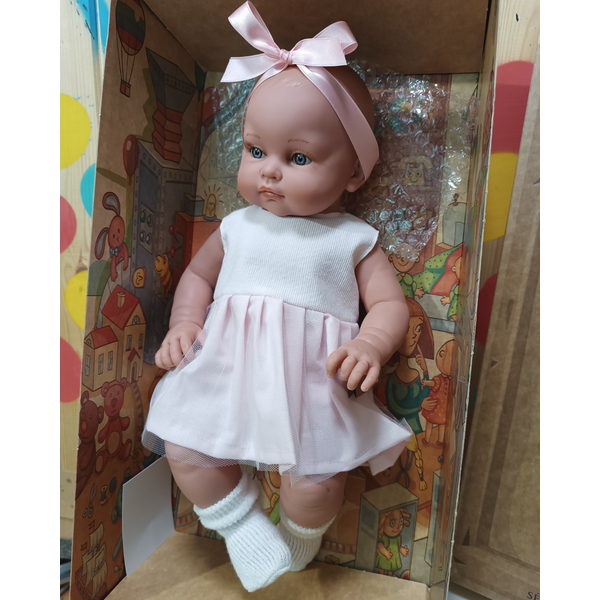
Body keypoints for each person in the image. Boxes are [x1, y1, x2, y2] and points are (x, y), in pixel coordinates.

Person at [142, 2, 411, 592]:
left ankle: (298, 538)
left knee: (316, 485)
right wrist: (185, 323)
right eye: (255, 151)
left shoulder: (352, 238)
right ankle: (240, 526)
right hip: (224, 368)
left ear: (354, 174)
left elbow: (391, 306)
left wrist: (370, 344)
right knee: (183, 447)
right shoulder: (237, 226)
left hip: (311, 384)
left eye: (298, 157)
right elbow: (198, 278)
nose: (268, 172)